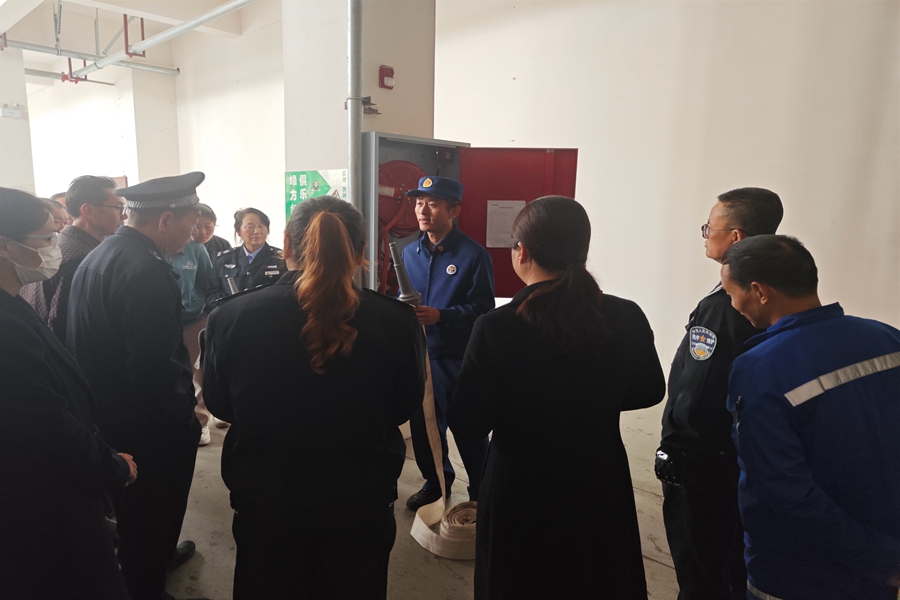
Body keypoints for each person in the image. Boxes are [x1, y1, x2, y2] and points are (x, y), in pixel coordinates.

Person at [203, 195, 425, 599]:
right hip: (360, 497)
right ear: (360, 250)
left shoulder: (232, 317)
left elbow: (219, 404)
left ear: (286, 245)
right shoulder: (396, 322)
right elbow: (404, 406)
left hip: (267, 495)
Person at [448, 196, 665, 599]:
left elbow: (469, 422)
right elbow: (650, 390)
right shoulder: (626, 315)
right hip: (598, 475)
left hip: (520, 485)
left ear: (522, 252)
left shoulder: (496, 327)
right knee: (596, 577)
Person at [721, 235, 900, 600]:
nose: (733, 305)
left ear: (759, 291)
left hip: (800, 574)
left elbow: (783, 492)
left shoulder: (760, 367)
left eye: (731, 293)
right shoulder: (887, 338)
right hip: (882, 565)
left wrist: (878, 559)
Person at [67, 173, 204, 600]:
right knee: (151, 512)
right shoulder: (146, 271)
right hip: (148, 426)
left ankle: (156, 562)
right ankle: (147, 587)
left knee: (137, 513)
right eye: (191, 223)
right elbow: (154, 367)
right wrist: (185, 416)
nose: (193, 234)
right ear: (165, 220)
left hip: (109, 412)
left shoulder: (105, 253)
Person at [0, 187, 137, 599]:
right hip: (43, 502)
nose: (55, 245)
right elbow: (45, 424)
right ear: (5, 246)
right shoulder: (6, 330)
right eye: (46, 237)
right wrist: (113, 466)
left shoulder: (12, 302)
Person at [655, 187, 783, 600]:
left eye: (710, 227)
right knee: (731, 561)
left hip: (703, 462)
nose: (706, 234)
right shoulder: (774, 290)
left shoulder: (725, 305)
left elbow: (699, 388)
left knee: (700, 564)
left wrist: (675, 450)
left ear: (736, 237)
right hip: (742, 453)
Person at [401, 175, 494, 511]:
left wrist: (442, 315)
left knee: (467, 426)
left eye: (433, 203)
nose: (423, 210)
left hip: (456, 358)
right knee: (424, 425)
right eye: (418, 203)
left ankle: (482, 489)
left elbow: (483, 308)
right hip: (420, 356)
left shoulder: (472, 255)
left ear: (454, 210)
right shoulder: (409, 253)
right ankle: (435, 482)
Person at [20, 176, 126, 342]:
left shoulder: (62, 244)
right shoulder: (80, 258)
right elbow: (62, 324)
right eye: (118, 208)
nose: (124, 216)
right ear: (88, 211)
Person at [169, 237, 218, 446]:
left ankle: (201, 421)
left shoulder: (196, 249)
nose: (196, 231)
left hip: (194, 319)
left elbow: (208, 283)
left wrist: (204, 314)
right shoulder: (152, 247)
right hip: (165, 320)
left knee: (197, 373)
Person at [207, 207, 286, 305]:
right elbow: (211, 292)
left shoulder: (281, 258)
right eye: (250, 226)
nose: (256, 231)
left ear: (267, 230)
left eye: (261, 226)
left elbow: (286, 292)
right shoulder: (224, 259)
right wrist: (229, 306)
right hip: (231, 313)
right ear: (238, 231)